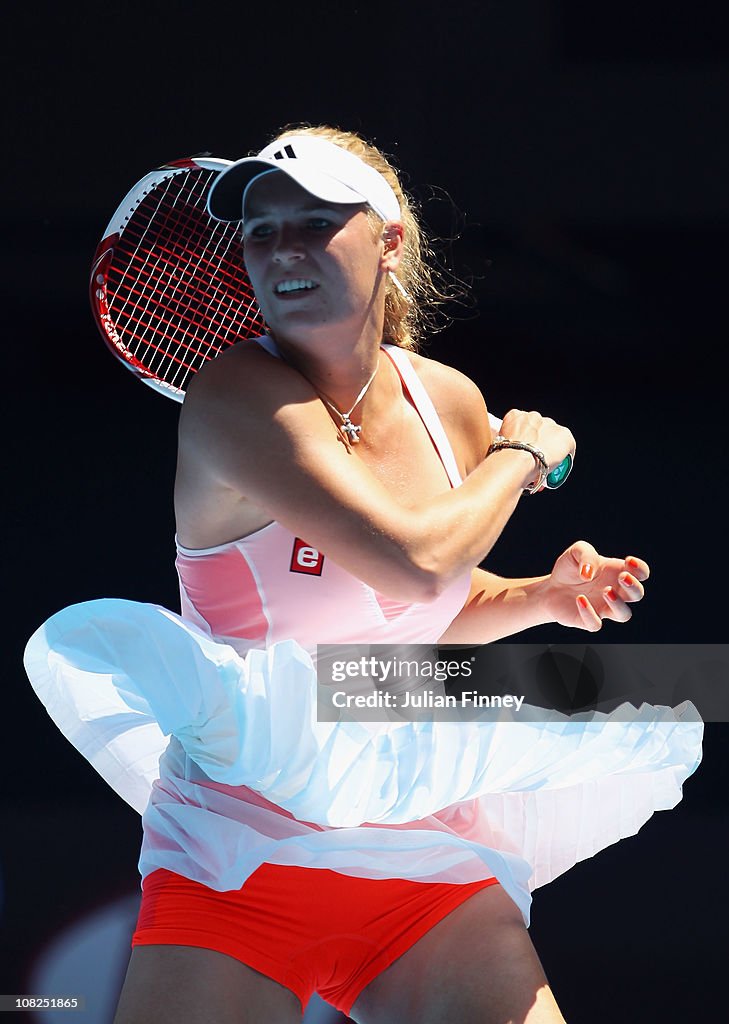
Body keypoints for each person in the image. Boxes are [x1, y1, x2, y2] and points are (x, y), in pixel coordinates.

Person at [24, 126, 702, 1024]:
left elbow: (419, 618)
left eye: (314, 221)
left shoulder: (449, 403)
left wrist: (536, 596)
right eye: (262, 231)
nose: (282, 248)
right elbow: (418, 565)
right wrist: (517, 458)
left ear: (388, 241)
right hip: (237, 863)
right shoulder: (236, 395)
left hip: (424, 868)